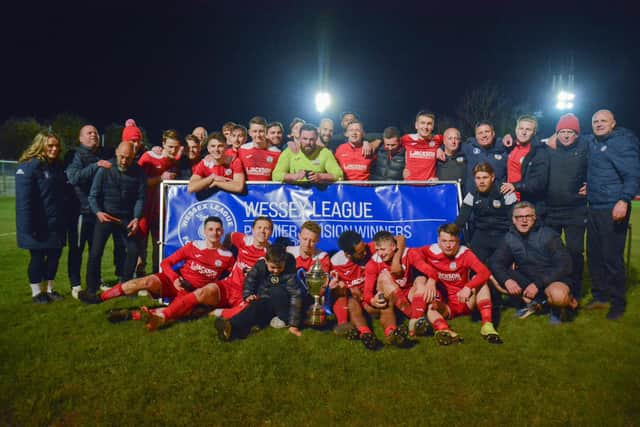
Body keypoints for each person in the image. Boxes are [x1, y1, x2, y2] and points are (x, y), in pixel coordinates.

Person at [584, 109, 640, 319]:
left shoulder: (623, 143)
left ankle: (618, 302)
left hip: (612, 208)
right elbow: (565, 136)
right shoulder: (592, 142)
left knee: (611, 257)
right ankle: (600, 297)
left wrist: (624, 200)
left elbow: (633, 175)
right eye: (595, 121)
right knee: (595, 256)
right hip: (594, 207)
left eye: (603, 121)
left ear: (613, 123)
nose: (598, 124)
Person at [77, 141, 145, 302]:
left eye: (128, 158)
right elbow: (93, 196)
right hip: (105, 216)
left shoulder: (139, 172)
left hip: (126, 218)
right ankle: (91, 289)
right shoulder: (105, 169)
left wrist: (136, 217)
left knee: (134, 250)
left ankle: (126, 286)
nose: (124, 161)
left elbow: (141, 198)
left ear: (133, 157)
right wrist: (98, 212)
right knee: (95, 252)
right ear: (116, 152)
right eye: (122, 157)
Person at [490, 201, 578, 324]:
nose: (523, 220)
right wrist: (507, 280)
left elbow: (565, 265)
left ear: (534, 218)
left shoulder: (549, 236)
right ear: (513, 220)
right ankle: (534, 303)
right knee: (492, 272)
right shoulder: (510, 238)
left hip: (551, 280)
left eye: (528, 216)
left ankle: (557, 308)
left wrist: (537, 284)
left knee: (558, 295)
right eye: (519, 217)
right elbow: (496, 262)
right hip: (528, 280)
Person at [420, 224, 501, 344]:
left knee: (481, 282)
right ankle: (444, 330)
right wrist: (430, 278)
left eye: (452, 241)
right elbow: (411, 255)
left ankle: (487, 325)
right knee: (429, 303)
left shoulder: (465, 253)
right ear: (438, 240)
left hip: (465, 300)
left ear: (458, 240)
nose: (448, 245)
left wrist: (468, 287)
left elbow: (484, 272)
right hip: (445, 306)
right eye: (444, 241)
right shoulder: (430, 251)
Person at [15, 130, 67, 303]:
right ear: (41, 145)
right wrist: (28, 228)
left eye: (57, 145)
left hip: (56, 223)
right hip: (38, 224)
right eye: (50, 145)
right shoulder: (29, 166)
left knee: (54, 257)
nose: (54, 149)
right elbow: (24, 202)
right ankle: (36, 292)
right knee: (37, 258)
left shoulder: (58, 166)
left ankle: (49, 289)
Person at [65, 125, 114, 297]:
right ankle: (75, 284)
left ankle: (96, 280)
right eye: (89, 133)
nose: (94, 134)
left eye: (95, 132)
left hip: (98, 211)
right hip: (80, 211)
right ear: (81, 138)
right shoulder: (74, 155)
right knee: (77, 249)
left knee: (96, 249)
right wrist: (96, 165)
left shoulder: (104, 153)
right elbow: (73, 178)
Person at [215, 245, 302, 341]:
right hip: (267, 300)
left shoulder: (290, 271)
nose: (276, 271)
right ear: (265, 261)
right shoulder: (260, 265)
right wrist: (248, 295)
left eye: (280, 267)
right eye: (272, 267)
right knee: (254, 308)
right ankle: (230, 327)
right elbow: (250, 279)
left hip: (284, 305)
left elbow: (295, 296)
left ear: (285, 262)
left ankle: (284, 320)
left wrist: (294, 325)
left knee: (276, 291)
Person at [544, 114, 588, 300]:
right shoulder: (548, 148)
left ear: (577, 134)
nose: (566, 135)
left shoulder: (586, 147)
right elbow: (525, 141)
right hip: (551, 210)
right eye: (562, 131)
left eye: (570, 132)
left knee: (574, 251)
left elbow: (599, 168)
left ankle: (574, 291)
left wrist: (591, 184)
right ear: (557, 133)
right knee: (549, 251)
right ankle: (549, 290)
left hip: (575, 210)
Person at [364, 231, 436, 340]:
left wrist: (432, 281)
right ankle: (415, 319)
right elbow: (367, 293)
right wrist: (373, 300)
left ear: (393, 247)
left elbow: (430, 271)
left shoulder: (409, 253)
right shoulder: (373, 263)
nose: (380, 253)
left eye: (383, 249)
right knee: (384, 277)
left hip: (407, 293)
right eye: (377, 250)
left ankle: (415, 322)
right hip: (389, 299)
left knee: (421, 279)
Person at [137, 130, 181, 274]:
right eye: (170, 147)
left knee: (159, 245)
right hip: (144, 208)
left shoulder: (174, 162)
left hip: (161, 210)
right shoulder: (148, 157)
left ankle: (156, 276)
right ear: (163, 144)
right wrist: (160, 178)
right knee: (141, 245)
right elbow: (139, 182)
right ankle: (139, 276)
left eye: (175, 147)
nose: (173, 150)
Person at [285, 221, 337, 329]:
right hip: (289, 293)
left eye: (312, 241)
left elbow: (322, 286)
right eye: (304, 239)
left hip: (310, 296)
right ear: (299, 236)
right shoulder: (288, 252)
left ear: (317, 240)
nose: (307, 244)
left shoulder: (322, 256)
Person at [499, 115, 549, 210]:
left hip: (527, 202)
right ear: (516, 129)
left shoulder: (539, 152)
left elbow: (538, 183)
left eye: (528, 129)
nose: (524, 132)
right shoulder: (510, 146)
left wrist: (515, 186)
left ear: (534, 133)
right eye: (521, 128)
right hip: (509, 199)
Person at [272, 124, 344, 183]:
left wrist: (321, 176)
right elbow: (275, 176)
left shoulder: (325, 152)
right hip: (295, 197)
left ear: (316, 139)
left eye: (311, 139)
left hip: (318, 197)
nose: (308, 142)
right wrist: (294, 176)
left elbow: (339, 175)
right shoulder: (289, 152)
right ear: (299, 138)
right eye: (305, 139)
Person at [460, 121, 508, 193]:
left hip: (498, 199)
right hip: (473, 199)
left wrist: (512, 138)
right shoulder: (468, 148)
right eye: (480, 133)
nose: (484, 135)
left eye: (487, 131)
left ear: (493, 133)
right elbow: (451, 145)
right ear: (476, 136)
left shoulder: (504, 148)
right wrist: (439, 149)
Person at [401, 110, 443, 181]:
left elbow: (453, 143)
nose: (425, 127)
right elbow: (390, 142)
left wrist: (441, 148)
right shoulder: (406, 139)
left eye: (429, 124)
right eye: (422, 123)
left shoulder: (438, 139)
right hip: (409, 185)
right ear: (416, 125)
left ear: (433, 126)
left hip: (428, 187)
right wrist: (377, 142)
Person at [238, 116, 281, 181]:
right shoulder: (242, 150)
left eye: (261, 131)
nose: (258, 135)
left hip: (270, 190)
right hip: (247, 191)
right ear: (250, 132)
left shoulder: (277, 153)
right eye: (255, 131)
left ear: (266, 132)